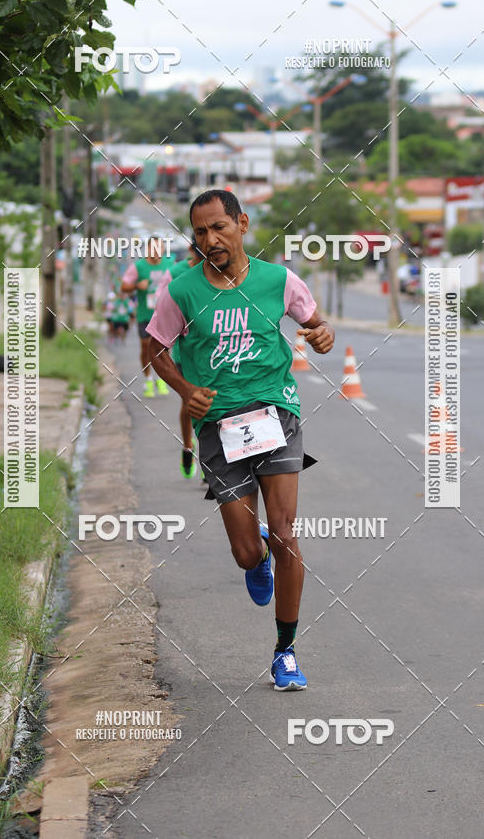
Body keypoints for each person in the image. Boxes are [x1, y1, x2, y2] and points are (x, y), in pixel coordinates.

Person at [147, 189, 335, 690]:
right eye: (201, 232)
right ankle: (259, 560)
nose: (211, 239)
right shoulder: (182, 291)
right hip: (220, 428)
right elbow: (155, 349)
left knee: (287, 534)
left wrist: (322, 334)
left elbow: (317, 325)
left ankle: (285, 651)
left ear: (242, 224)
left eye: (219, 228)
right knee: (248, 551)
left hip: (277, 413)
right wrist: (187, 391)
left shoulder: (278, 280)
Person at [156, 239, 204, 479]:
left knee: (219, 406)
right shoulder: (175, 274)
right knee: (190, 403)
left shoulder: (221, 271)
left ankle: (211, 461)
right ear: (192, 250)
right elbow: (161, 305)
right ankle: (188, 446)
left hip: (220, 354)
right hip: (188, 353)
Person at [121, 237, 172, 397]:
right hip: (145, 314)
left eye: (160, 248)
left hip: (164, 316)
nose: (157, 252)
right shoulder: (138, 267)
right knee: (146, 347)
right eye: (153, 248)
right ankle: (148, 379)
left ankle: (161, 379)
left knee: (164, 350)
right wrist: (137, 285)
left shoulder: (170, 265)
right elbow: (124, 287)